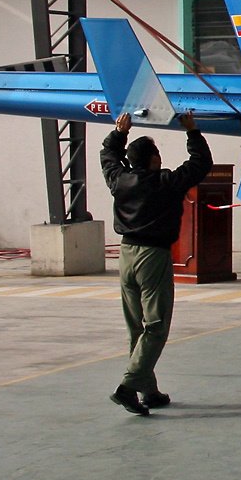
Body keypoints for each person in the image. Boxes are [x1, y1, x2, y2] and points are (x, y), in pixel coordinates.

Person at [101, 110, 211, 415]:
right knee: (157, 325)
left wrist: (119, 133)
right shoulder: (166, 182)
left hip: (126, 256)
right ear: (153, 159)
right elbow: (200, 165)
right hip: (153, 256)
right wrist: (192, 131)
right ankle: (128, 386)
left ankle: (147, 392)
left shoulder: (119, 179)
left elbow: (107, 156)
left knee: (137, 326)